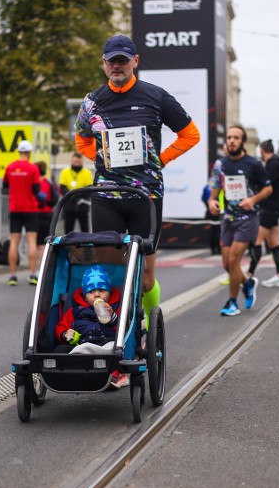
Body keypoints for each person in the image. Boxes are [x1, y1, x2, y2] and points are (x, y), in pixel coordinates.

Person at [75, 34, 200, 324]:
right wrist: (104, 159)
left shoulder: (156, 96)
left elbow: (190, 134)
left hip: (146, 197)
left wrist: (161, 159)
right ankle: (117, 333)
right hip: (107, 197)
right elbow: (81, 141)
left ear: (135, 61)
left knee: (144, 278)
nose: (117, 66)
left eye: (122, 60)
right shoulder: (91, 102)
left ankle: (145, 326)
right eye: (111, 61)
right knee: (112, 275)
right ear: (104, 64)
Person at [207, 125, 272, 316]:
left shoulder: (254, 164)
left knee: (234, 260)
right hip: (228, 219)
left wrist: (252, 199)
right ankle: (248, 283)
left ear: (242, 141)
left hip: (248, 218)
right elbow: (214, 190)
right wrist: (212, 202)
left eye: (236, 137)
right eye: (229, 137)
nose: (232, 141)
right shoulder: (220, 165)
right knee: (227, 265)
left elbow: (268, 188)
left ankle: (232, 303)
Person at [54, 265, 127, 388]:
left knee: (116, 347)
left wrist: (113, 317)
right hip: (81, 343)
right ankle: (72, 371)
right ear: (84, 296)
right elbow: (61, 326)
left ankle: (115, 374)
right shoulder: (75, 311)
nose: (97, 295)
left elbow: (124, 330)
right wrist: (65, 334)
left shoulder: (115, 307)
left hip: (106, 343)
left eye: (102, 291)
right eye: (91, 292)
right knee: (59, 350)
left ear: (109, 293)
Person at [247, 139, 279, 287]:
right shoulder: (276, 163)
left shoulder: (273, 164)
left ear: (262, 151)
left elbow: (265, 183)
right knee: (272, 242)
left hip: (270, 208)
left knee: (256, 241)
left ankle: (249, 275)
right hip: (274, 208)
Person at [3, 140, 42, 286]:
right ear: (29, 152)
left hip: (14, 208)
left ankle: (12, 276)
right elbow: (36, 191)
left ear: (19, 151)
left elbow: (5, 185)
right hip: (30, 209)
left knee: (14, 241)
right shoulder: (33, 168)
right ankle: (32, 274)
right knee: (31, 240)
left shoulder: (10, 167)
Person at [58, 153, 93, 233]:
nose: (77, 163)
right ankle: (68, 244)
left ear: (81, 162)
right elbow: (62, 187)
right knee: (68, 227)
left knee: (84, 228)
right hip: (69, 203)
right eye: (75, 161)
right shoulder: (65, 172)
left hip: (82, 203)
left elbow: (88, 188)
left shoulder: (87, 173)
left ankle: (86, 243)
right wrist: (72, 196)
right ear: (72, 161)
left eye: (79, 162)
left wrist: (78, 195)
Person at [35, 160, 57, 268]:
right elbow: (55, 198)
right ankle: (43, 267)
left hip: (35, 214)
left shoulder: (35, 183)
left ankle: (36, 269)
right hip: (48, 214)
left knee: (36, 244)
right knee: (44, 244)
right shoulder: (48, 183)